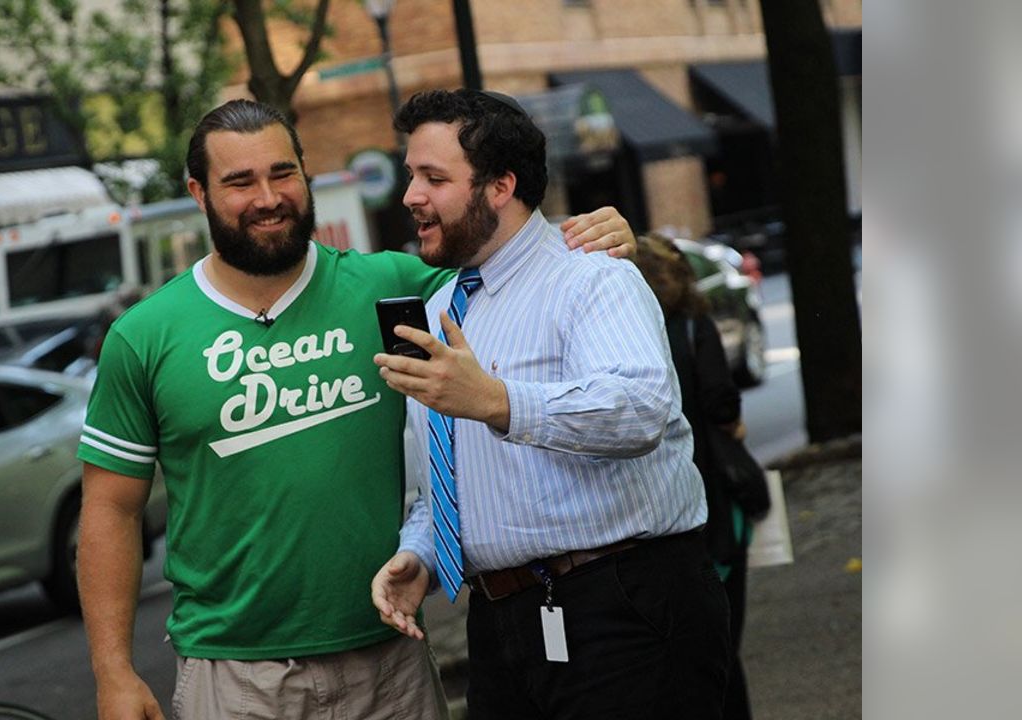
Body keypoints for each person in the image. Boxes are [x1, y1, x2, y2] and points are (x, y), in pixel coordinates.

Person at [74, 98, 637, 720]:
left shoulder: (394, 287)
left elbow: (509, 263)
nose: (267, 197)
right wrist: (113, 672)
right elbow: (110, 511)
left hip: (390, 658)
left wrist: (582, 236)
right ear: (199, 193)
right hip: (235, 676)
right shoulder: (143, 336)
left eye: (282, 173)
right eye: (239, 182)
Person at [370, 89, 731, 720]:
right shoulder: (439, 310)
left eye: (434, 177)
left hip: (619, 605)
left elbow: (641, 405)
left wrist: (498, 400)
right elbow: (446, 477)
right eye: (410, 177)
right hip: (500, 620)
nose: (410, 197)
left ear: (501, 185)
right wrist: (420, 553)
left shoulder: (592, 275)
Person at [634, 233, 755, 720]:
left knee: (679, 654)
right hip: (717, 502)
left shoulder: (632, 327)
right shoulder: (691, 325)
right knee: (724, 645)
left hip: (663, 508)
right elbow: (722, 399)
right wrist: (731, 426)